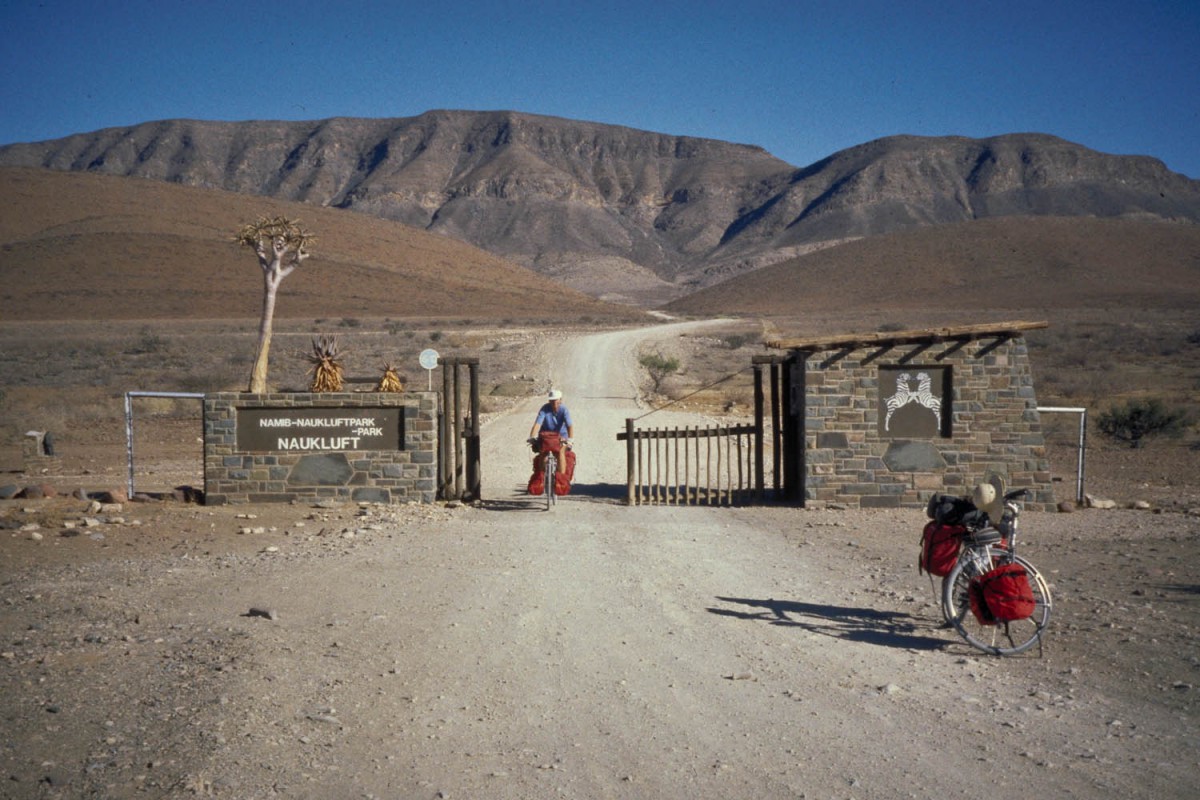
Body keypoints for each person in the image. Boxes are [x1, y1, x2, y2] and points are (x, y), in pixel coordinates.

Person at [529, 389, 574, 474]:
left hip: (561, 437)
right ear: (549, 401)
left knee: (561, 452)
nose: (554, 403)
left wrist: (571, 439)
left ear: (560, 400)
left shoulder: (564, 410)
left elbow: (569, 425)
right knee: (542, 453)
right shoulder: (544, 409)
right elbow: (537, 424)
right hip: (545, 437)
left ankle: (561, 479)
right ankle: (541, 477)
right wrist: (532, 437)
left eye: (556, 401)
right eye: (552, 401)